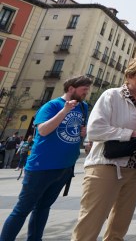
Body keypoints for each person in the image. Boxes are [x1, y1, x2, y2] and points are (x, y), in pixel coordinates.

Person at [72, 56, 136, 241]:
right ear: (129, 75)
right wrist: (133, 134)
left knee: (118, 229)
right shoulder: (111, 95)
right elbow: (95, 129)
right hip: (107, 167)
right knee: (89, 225)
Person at [0, 76, 91, 241]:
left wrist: (82, 135)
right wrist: (64, 111)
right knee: (22, 210)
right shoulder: (52, 106)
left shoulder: (83, 107)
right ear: (71, 88)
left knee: (43, 208)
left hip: (65, 167)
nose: (87, 93)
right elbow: (43, 131)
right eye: (84, 89)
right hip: (41, 167)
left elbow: (75, 133)